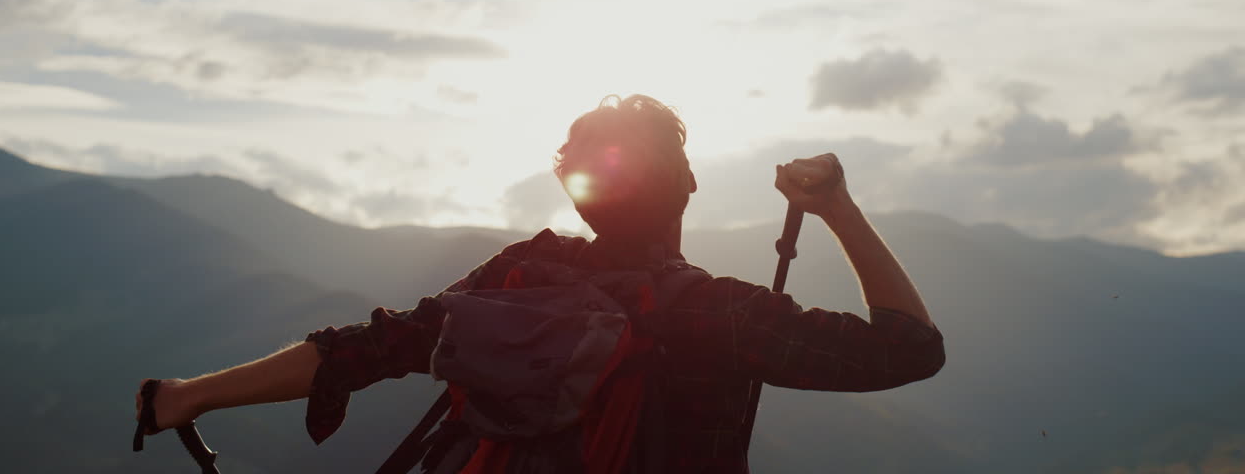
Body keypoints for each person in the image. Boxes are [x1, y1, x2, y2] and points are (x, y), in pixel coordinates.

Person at [136, 94, 944, 473]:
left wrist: (188, 395)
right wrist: (835, 207)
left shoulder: (519, 276)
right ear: (689, 185)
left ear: (575, 193)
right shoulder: (720, 316)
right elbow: (909, 350)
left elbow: (359, 351)